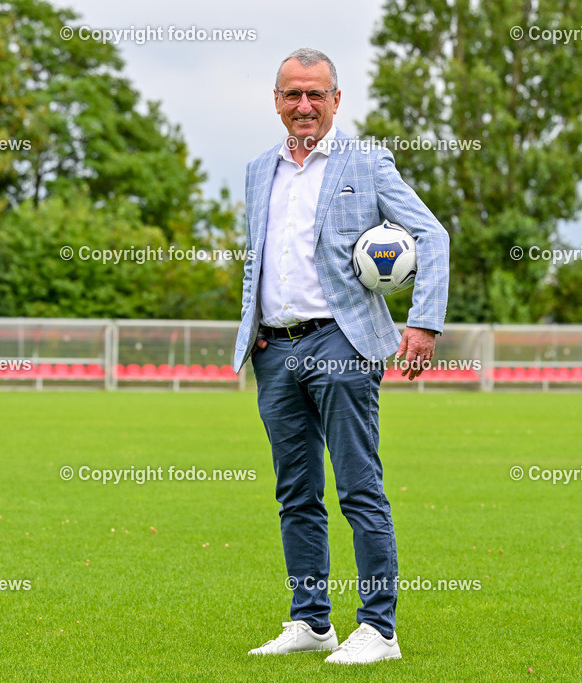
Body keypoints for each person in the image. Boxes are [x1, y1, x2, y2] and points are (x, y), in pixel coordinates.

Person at [233, 47, 449, 665]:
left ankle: (379, 630)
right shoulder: (257, 169)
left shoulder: (367, 161)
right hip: (274, 348)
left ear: (334, 100)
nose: (304, 106)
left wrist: (424, 323)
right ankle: (311, 621)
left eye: (316, 95)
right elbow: (262, 259)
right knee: (295, 493)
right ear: (276, 100)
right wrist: (254, 334)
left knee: (358, 488)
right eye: (292, 95)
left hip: (342, 342)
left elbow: (432, 235)